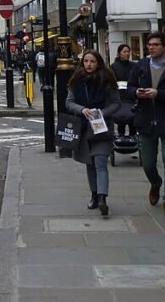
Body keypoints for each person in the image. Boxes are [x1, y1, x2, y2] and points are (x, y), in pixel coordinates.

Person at [129, 31, 165, 220]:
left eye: (155, 44)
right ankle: (155, 183)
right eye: (149, 44)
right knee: (147, 164)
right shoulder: (141, 66)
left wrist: (158, 94)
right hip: (146, 120)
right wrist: (136, 92)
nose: (151, 48)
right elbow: (129, 88)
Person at [65, 49, 120, 216]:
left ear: (99, 63)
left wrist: (102, 112)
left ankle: (103, 198)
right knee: (90, 163)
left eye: (92, 61)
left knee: (101, 162)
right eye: (86, 61)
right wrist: (82, 110)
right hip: (83, 128)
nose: (88, 64)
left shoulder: (107, 80)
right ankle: (94, 195)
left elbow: (116, 103)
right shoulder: (77, 80)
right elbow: (69, 102)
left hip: (102, 128)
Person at [110, 45, 137, 137]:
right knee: (121, 118)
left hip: (131, 96)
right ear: (119, 53)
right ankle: (121, 137)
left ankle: (133, 137)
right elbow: (112, 81)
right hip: (120, 95)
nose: (127, 54)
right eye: (124, 52)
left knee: (132, 119)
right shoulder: (114, 66)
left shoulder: (134, 66)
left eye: (128, 52)